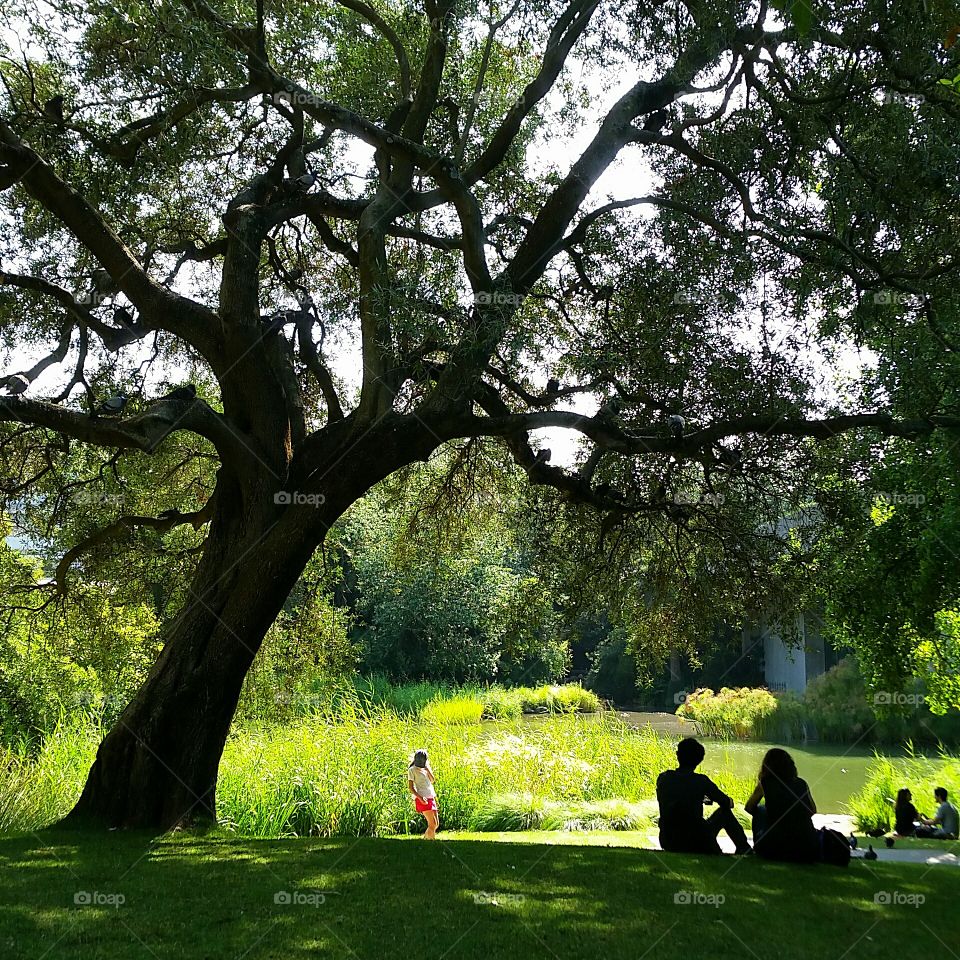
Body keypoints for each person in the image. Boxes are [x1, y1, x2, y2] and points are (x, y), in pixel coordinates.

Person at [656, 737, 751, 855]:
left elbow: (682, 795)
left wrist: (702, 798)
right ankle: (744, 848)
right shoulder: (701, 781)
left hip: (668, 840)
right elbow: (726, 802)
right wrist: (722, 799)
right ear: (699, 760)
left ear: (678, 755)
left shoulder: (664, 778)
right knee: (724, 812)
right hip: (695, 839)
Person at [744, 748, 818, 863]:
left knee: (760, 810)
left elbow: (749, 808)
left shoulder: (765, 783)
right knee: (764, 810)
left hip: (775, 849)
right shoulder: (801, 783)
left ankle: (759, 845)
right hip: (808, 849)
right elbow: (812, 810)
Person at [407, 749, 439, 840]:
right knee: (432, 824)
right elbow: (411, 787)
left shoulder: (426, 768)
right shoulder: (412, 770)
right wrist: (420, 798)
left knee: (436, 824)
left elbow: (432, 780)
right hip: (422, 798)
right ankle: (431, 842)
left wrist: (427, 769)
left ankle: (425, 839)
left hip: (431, 796)